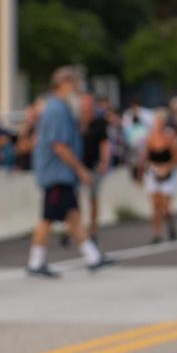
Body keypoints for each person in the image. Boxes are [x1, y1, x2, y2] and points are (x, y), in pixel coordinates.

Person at [26, 67, 113, 279]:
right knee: (48, 217)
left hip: (61, 174)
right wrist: (80, 169)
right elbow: (59, 145)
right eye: (75, 83)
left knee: (73, 215)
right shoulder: (56, 109)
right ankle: (35, 261)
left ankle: (92, 257)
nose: (77, 88)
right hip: (57, 173)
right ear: (64, 83)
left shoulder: (61, 108)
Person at [141, 109, 177, 243]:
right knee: (155, 205)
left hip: (168, 171)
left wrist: (167, 167)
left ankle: (170, 225)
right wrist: (143, 171)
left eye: (160, 122)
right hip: (154, 171)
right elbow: (145, 157)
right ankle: (157, 233)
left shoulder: (170, 138)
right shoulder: (149, 138)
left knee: (165, 206)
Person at [78, 92, 111, 243]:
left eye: (89, 104)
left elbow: (105, 143)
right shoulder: (76, 122)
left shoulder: (100, 123)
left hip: (93, 165)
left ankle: (93, 229)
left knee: (93, 198)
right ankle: (75, 228)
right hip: (78, 165)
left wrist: (104, 162)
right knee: (74, 198)